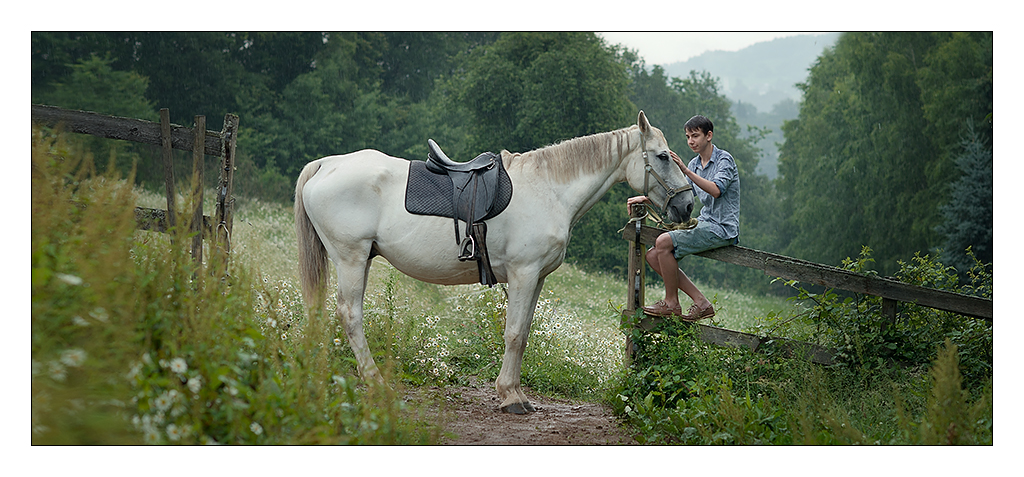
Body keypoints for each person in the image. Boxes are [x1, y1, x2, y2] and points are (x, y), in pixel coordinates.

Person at [627, 115, 740, 322]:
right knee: (652, 256)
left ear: (709, 135)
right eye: (688, 137)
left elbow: (716, 190)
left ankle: (671, 303)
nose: (691, 141)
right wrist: (644, 198)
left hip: (722, 228)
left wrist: (685, 170)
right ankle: (701, 302)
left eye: (695, 136)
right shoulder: (695, 163)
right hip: (706, 222)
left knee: (662, 242)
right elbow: (680, 193)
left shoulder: (725, 160)